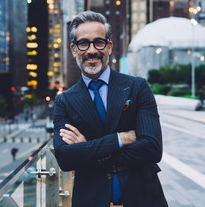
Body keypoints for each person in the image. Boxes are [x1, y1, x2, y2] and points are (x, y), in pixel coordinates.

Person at [53, 11, 168, 207]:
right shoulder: (64, 101)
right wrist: (120, 139)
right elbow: (65, 157)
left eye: (99, 42)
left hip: (144, 198)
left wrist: (88, 148)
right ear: (73, 49)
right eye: (83, 43)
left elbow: (152, 148)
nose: (91, 50)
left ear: (109, 46)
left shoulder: (137, 87)